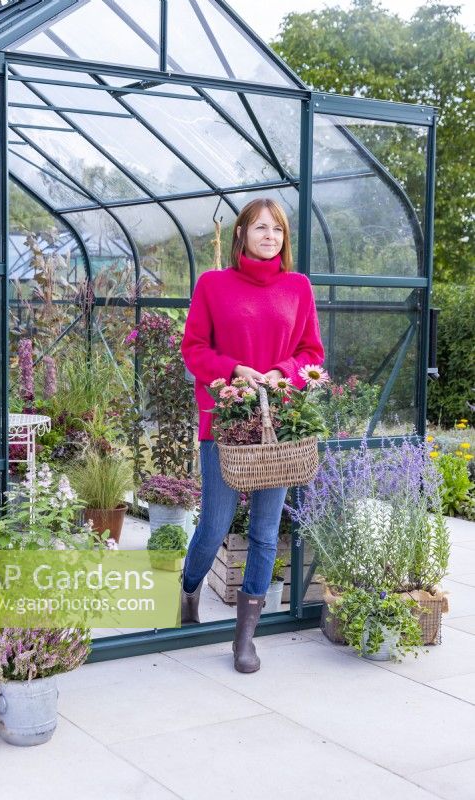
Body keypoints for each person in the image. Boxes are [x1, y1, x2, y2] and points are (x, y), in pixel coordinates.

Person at [180, 198, 324, 673]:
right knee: (215, 526)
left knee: (264, 533)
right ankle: (188, 589)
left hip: (276, 426)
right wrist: (235, 370)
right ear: (241, 233)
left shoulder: (298, 287)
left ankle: (245, 638)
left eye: (277, 230)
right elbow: (194, 350)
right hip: (224, 423)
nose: (269, 236)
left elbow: (311, 353)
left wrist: (282, 373)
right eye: (260, 228)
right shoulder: (213, 285)